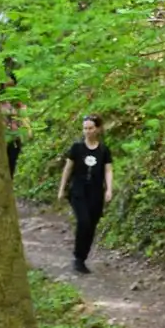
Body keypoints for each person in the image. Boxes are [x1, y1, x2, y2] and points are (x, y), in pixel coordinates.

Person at [55, 114, 114, 274]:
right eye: (85, 128)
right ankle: (78, 258)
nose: (87, 131)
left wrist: (109, 189)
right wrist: (62, 189)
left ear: (98, 129)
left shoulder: (104, 150)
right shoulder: (77, 148)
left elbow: (108, 170)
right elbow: (68, 169)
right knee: (84, 222)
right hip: (78, 191)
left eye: (90, 128)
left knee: (91, 225)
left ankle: (83, 257)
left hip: (96, 192)